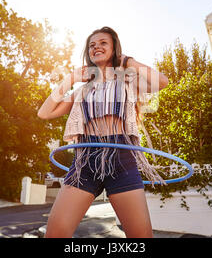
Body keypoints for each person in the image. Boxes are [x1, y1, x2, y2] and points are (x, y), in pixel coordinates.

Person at [37, 26, 169, 238]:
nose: (96, 47)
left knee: (140, 238)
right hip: (85, 161)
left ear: (114, 48)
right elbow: (44, 113)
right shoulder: (82, 90)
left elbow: (162, 82)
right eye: (92, 45)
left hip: (121, 158)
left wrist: (127, 62)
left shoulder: (128, 81)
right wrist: (70, 79)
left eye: (103, 43)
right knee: (55, 234)